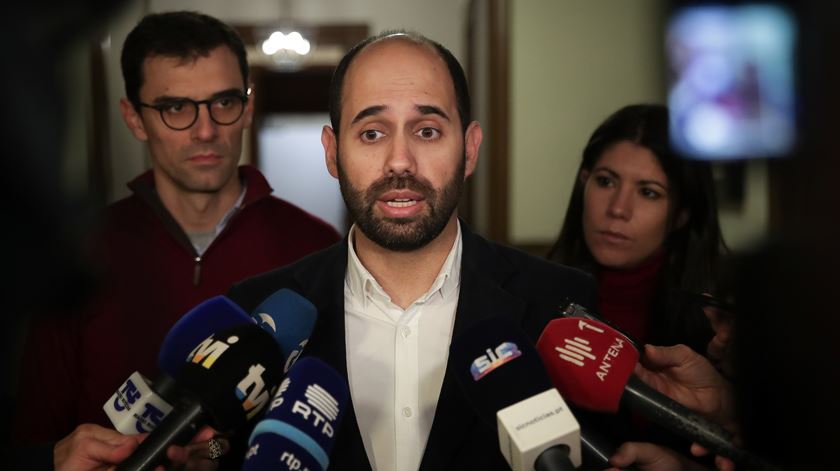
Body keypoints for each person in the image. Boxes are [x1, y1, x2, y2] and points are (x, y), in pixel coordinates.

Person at [227, 30, 596, 471]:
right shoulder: (253, 314)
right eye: (372, 133)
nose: (399, 161)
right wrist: (206, 458)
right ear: (332, 152)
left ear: (470, 149)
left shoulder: (561, 307)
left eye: (427, 130)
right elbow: (222, 449)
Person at [13, 10, 340, 469]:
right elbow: (34, 431)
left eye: (223, 102)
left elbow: (331, 430)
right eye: (175, 108)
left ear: (247, 106)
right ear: (135, 118)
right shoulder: (77, 254)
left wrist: (210, 453)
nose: (205, 130)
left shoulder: (315, 246)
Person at [547, 104, 728, 358]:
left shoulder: (721, 322)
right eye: (606, 181)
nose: (618, 209)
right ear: (584, 182)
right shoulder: (532, 290)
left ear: (681, 214)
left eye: (648, 192)